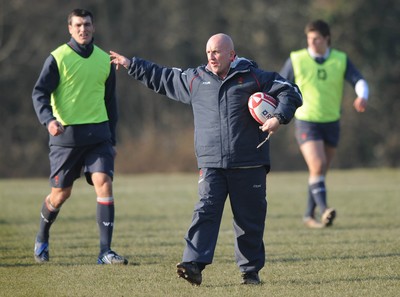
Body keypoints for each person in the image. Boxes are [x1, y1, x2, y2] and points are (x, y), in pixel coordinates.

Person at [109, 33, 302, 285]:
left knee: (249, 220)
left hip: (249, 162)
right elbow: (163, 77)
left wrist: (278, 117)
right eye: (209, 51)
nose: (211, 56)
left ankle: (250, 272)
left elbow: (291, 91)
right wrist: (132, 65)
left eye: (217, 52)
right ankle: (193, 265)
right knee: (205, 212)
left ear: (232, 55)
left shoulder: (255, 77)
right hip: (211, 163)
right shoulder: (196, 79)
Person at [32, 8, 127, 265]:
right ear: (70, 29)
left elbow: (111, 104)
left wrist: (113, 139)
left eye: (86, 24)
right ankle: (42, 237)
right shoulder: (57, 58)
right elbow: (39, 94)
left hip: (99, 135)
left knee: (103, 182)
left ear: (93, 27)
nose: (83, 29)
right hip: (66, 139)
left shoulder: (103, 60)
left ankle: (105, 251)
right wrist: (49, 121)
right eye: (78, 25)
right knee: (60, 194)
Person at [280, 20, 369, 229]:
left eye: (316, 38)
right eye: (309, 38)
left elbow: (359, 80)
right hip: (306, 121)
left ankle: (309, 215)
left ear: (326, 38)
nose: (311, 42)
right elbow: (280, 83)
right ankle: (325, 209)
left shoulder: (340, 59)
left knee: (318, 172)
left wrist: (362, 96)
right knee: (318, 165)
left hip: (331, 122)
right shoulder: (297, 59)